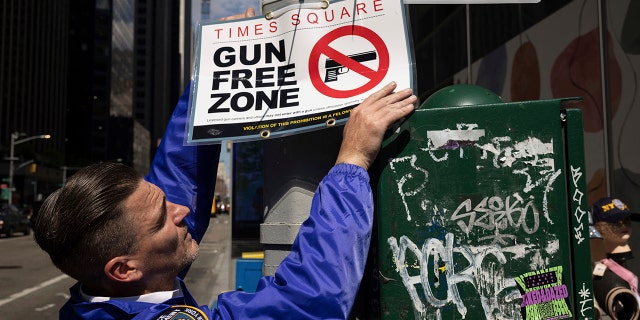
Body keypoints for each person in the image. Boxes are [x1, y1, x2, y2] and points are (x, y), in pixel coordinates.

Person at [33, 24, 417, 319]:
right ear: (124, 268)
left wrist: (219, 67)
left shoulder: (109, 298)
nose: (181, 210)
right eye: (160, 220)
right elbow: (310, 300)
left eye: (163, 202)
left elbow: (178, 180)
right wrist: (351, 160)